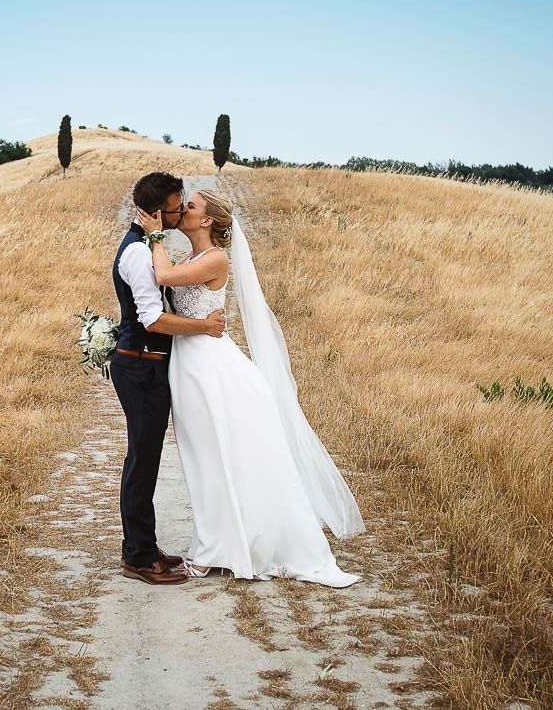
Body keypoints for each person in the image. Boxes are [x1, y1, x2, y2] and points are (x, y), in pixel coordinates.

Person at [137, 188, 364, 587]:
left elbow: (163, 277)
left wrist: (153, 235)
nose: (181, 209)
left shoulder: (215, 258)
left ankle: (215, 552)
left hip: (213, 371)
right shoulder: (191, 257)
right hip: (190, 369)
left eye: (190, 206)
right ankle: (219, 545)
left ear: (207, 220)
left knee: (216, 458)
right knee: (203, 460)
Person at [110, 172, 227, 585]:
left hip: (146, 365)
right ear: (159, 212)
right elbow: (152, 319)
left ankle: (144, 544)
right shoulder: (139, 254)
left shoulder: (145, 246)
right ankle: (138, 557)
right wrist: (205, 327)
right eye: (179, 206)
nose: (182, 212)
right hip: (140, 365)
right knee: (141, 463)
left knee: (146, 460)